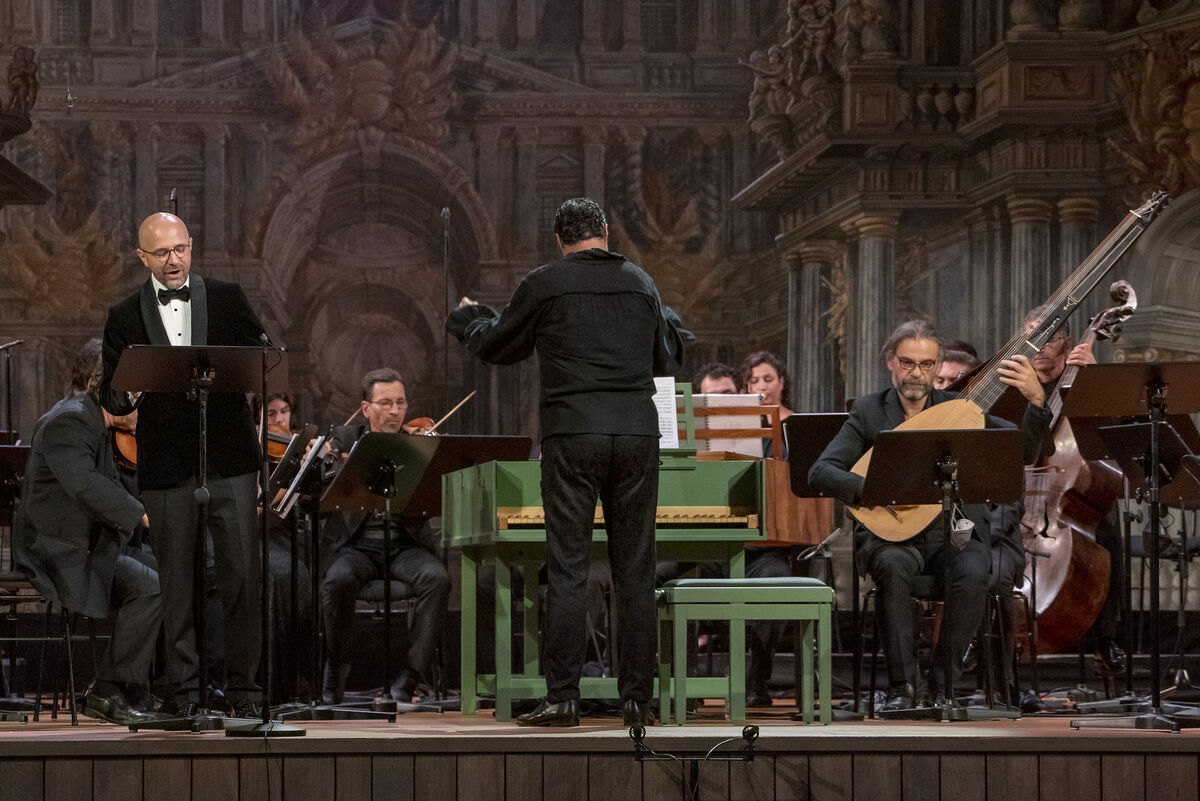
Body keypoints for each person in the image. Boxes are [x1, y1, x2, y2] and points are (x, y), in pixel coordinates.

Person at [446, 197, 685, 727]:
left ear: (560, 239)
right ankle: (636, 701)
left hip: (574, 433)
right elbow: (667, 359)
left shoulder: (546, 282)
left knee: (570, 568)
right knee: (635, 570)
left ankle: (563, 700)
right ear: (605, 230)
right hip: (638, 432)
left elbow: (499, 345)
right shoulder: (642, 282)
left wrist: (468, 320)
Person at [808, 320, 1051, 711]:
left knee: (974, 570)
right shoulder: (870, 411)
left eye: (926, 364)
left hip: (951, 535)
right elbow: (821, 471)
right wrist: (878, 491)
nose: (916, 373)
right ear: (891, 361)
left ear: (939, 367)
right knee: (891, 565)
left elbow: (1020, 451)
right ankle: (903, 686)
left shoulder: (959, 411)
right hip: (892, 536)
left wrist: (1037, 403)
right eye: (907, 363)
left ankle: (942, 686)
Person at [99, 212, 266, 718]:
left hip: (231, 459)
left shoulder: (228, 296)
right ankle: (185, 694)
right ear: (142, 257)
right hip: (168, 465)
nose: (174, 261)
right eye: (162, 253)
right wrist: (132, 381)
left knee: (240, 578)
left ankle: (245, 693)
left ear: (191, 246)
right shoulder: (124, 314)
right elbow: (113, 395)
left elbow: (262, 358)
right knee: (176, 583)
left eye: (181, 249)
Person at [13, 339, 161, 725]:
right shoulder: (72, 419)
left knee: (174, 576)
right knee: (151, 586)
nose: (139, 400)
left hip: (85, 542)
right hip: (58, 549)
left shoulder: (91, 420)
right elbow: (84, 486)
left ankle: (139, 688)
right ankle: (108, 690)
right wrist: (142, 516)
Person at [657, 362, 791, 707]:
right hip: (702, 551)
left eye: (729, 397)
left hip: (758, 553)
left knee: (777, 582)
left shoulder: (769, 440)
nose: (720, 406)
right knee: (662, 579)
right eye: (710, 399)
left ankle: (755, 685)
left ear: (743, 396)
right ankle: (683, 686)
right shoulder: (683, 449)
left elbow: (786, 503)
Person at [318, 368, 451, 705]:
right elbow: (322, 481)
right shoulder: (346, 439)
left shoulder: (419, 441)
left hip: (406, 545)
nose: (395, 411)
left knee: (437, 579)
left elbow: (439, 495)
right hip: (357, 546)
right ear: (366, 408)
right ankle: (336, 666)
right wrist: (335, 463)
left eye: (401, 403)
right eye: (386, 403)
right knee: (337, 581)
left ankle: (408, 679)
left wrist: (432, 460)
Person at [740, 351, 791, 458]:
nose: (762, 386)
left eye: (768, 380)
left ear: (781, 383)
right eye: (754, 381)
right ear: (749, 387)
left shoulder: (796, 420)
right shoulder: (745, 425)